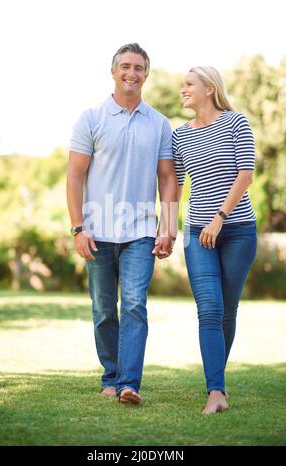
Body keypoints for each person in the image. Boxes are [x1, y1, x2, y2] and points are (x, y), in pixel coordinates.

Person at [66, 43, 177, 405]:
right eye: (126, 66)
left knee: (133, 305)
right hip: (96, 233)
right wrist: (78, 227)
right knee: (102, 310)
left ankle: (129, 383)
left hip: (141, 232)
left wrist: (168, 226)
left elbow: (167, 179)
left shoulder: (160, 123)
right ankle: (111, 376)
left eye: (139, 68)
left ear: (146, 74)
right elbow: (75, 176)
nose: (132, 73)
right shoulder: (91, 118)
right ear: (113, 71)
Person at [172, 66, 257, 414]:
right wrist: (168, 227)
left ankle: (217, 387)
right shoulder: (180, 135)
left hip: (237, 230)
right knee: (209, 307)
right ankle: (216, 391)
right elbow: (174, 185)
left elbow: (246, 174)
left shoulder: (237, 123)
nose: (182, 90)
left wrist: (219, 219)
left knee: (227, 309)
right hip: (197, 233)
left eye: (189, 84)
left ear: (209, 88)